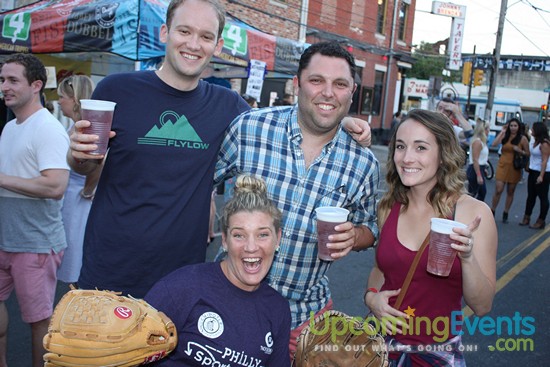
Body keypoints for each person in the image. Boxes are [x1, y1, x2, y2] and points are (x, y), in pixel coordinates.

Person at [67, 0, 251, 298]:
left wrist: (342, 120)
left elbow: (282, 128)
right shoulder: (115, 90)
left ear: (217, 46)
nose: (193, 44)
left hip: (180, 278)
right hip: (109, 269)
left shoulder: (228, 105)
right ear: (165, 33)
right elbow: (87, 166)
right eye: (184, 31)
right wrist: (76, 153)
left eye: (206, 36)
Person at [214, 41, 380, 357]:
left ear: (351, 92)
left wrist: (354, 236)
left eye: (339, 84)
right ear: (297, 84)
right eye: (317, 80)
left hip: (302, 321)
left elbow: (370, 228)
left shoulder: (364, 164)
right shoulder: (250, 128)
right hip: (229, 304)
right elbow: (197, 183)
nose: (328, 92)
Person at [364, 109, 497, 366]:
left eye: (421, 147)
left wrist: (467, 258)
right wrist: (371, 297)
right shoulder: (388, 206)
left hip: (436, 355)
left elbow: (482, 306)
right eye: (400, 146)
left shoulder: (473, 213)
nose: (407, 157)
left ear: (443, 154)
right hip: (380, 351)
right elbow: (381, 269)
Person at [145, 175, 291, 366]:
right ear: (224, 240)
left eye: (263, 234)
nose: (251, 247)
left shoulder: (278, 309)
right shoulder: (182, 288)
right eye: (239, 235)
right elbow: (132, 352)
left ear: (278, 239)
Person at [0, 53, 70, 367]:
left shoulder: (47, 128)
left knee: (39, 324)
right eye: (2, 80)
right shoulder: (11, 127)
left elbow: (55, 186)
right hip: (5, 240)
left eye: (13, 80)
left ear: (36, 85)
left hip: (36, 245)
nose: (4, 87)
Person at [56, 75, 99, 286]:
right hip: (72, 198)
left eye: (61, 97)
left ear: (74, 99)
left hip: (78, 201)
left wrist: (89, 188)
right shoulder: (76, 126)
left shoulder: (86, 128)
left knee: (76, 258)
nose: (58, 101)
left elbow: (102, 158)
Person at [490, 118, 530, 223]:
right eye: (511, 125)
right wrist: (502, 132)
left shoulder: (522, 139)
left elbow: (527, 153)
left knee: (510, 191)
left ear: (518, 127)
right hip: (503, 164)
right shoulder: (505, 135)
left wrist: (520, 151)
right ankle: (492, 210)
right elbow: (494, 144)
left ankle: (506, 212)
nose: (513, 128)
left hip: (514, 166)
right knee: (499, 189)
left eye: (515, 126)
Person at [519, 122, 549, 229]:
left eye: (533, 129)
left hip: (542, 172)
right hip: (533, 170)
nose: (531, 130)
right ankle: (527, 217)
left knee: (543, 197)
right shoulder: (534, 141)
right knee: (531, 196)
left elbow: (545, 160)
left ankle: (541, 220)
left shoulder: (544, 143)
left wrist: (541, 175)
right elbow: (531, 156)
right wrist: (528, 165)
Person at [466, 119, 490, 201]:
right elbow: (475, 159)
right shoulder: (477, 142)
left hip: (480, 168)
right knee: (473, 194)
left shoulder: (482, 142)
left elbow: (480, 158)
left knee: (481, 192)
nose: (488, 131)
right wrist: (479, 175)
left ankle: (473, 210)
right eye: (487, 129)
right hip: (475, 169)